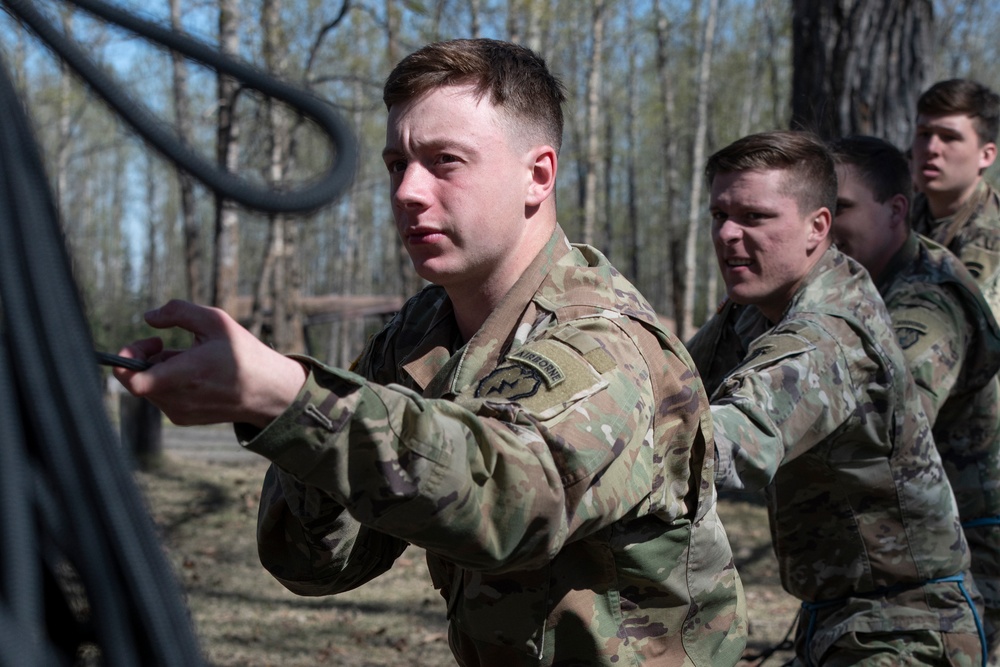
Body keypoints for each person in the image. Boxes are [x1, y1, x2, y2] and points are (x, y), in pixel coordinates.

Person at [113, 38, 747, 665]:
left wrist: (286, 393)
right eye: (397, 164)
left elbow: (513, 503)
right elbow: (316, 564)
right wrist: (267, 412)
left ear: (539, 175)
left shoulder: (606, 342)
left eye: (445, 161)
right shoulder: (422, 333)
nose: (408, 192)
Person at [686, 130, 983, 665]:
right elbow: (672, 382)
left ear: (817, 227)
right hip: (841, 617)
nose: (728, 234)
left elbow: (723, 445)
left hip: (905, 627)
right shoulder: (759, 305)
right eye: (718, 215)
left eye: (753, 217)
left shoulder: (830, 334)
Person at [830, 134, 1000, 664]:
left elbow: (892, 423)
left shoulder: (929, 299)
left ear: (896, 211)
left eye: (841, 208)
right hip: (885, 554)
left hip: (966, 552)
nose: (823, 226)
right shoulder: (840, 287)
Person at [911, 78, 1000, 316]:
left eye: (949, 137)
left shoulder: (991, 236)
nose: (931, 148)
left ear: (986, 155)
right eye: (924, 133)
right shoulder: (901, 214)